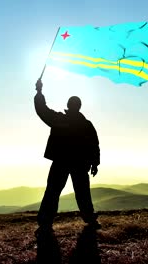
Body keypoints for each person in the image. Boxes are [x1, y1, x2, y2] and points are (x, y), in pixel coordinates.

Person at [34, 79, 101, 234]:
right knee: (81, 192)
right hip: (78, 163)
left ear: (69, 105)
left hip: (62, 161)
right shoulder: (86, 124)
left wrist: (39, 92)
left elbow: (42, 110)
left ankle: (45, 221)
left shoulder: (60, 120)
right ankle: (90, 219)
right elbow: (94, 145)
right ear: (78, 106)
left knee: (53, 191)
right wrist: (95, 163)